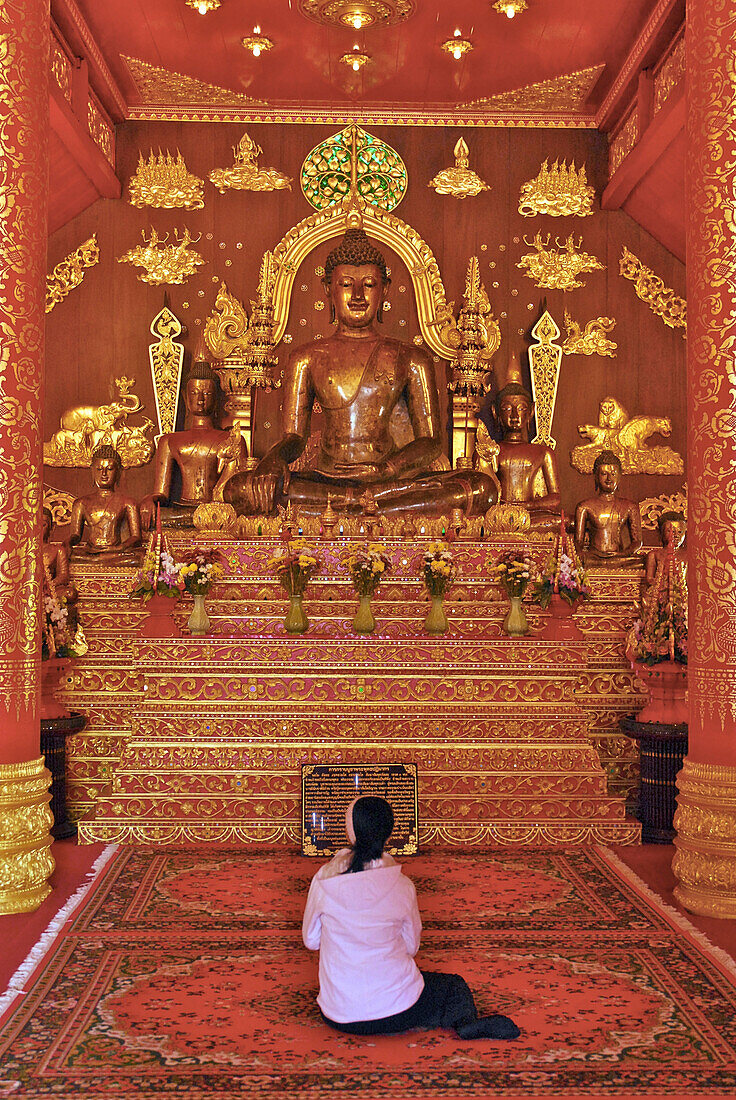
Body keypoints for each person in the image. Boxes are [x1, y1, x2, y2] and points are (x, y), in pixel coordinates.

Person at [224, 227, 497, 519]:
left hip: (391, 481)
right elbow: (294, 437)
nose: (357, 295)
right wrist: (273, 460)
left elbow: (430, 443)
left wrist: (388, 470)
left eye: (368, 284)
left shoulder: (411, 358)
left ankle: (357, 503)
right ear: (328, 288)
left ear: (385, 289)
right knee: (239, 489)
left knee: (481, 488)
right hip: (328, 481)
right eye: (345, 284)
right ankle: (363, 503)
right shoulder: (306, 358)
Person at [302, 795, 520, 1041]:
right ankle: (465, 1023)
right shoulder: (402, 885)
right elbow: (411, 946)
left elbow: (311, 941)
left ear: (350, 832)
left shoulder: (323, 880)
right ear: (388, 832)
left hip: (337, 1014)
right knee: (452, 986)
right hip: (398, 1010)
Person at [141, 362, 245, 528]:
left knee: (231, 518)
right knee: (154, 519)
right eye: (194, 393)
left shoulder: (233, 439)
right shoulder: (168, 440)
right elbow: (161, 492)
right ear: (185, 396)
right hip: (182, 511)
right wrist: (150, 500)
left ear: (217, 397)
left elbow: (238, 494)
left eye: (207, 393)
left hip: (217, 512)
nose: (201, 399)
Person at [476, 353, 560, 530]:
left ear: (530, 412)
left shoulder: (543, 452)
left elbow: (555, 498)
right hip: (498, 519)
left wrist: (525, 506)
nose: (514, 416)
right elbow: (482, 498)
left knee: (562, 521)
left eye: (521, 408)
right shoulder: (491, 450)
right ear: (495, 412)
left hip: (531, 517)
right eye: (507, 409)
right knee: (478, 522)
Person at [68, 445, 142, 560]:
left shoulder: (128, 503)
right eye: (99, 469)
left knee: (138, 557)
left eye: (110, 469)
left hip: (116, 552)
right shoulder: (81, 503)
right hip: (90, 552)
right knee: (69, 555)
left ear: (118, 472)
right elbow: (76, 535)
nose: (104, 473)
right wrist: (67, 543)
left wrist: (121, 547)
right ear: (92, 471)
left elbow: (136, 537)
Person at [574, 449, 642, 566]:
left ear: (619, 477)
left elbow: (637, 542)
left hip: (619, 557)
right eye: (604, 474)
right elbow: (578, 542)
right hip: (593, 557)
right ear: (596, 476)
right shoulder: (584, 506)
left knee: (640, 561)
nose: (609, 478)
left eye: (613, 474)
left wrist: (623, 554)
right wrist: (580, 554)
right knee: (580, 561)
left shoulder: (630, 506)